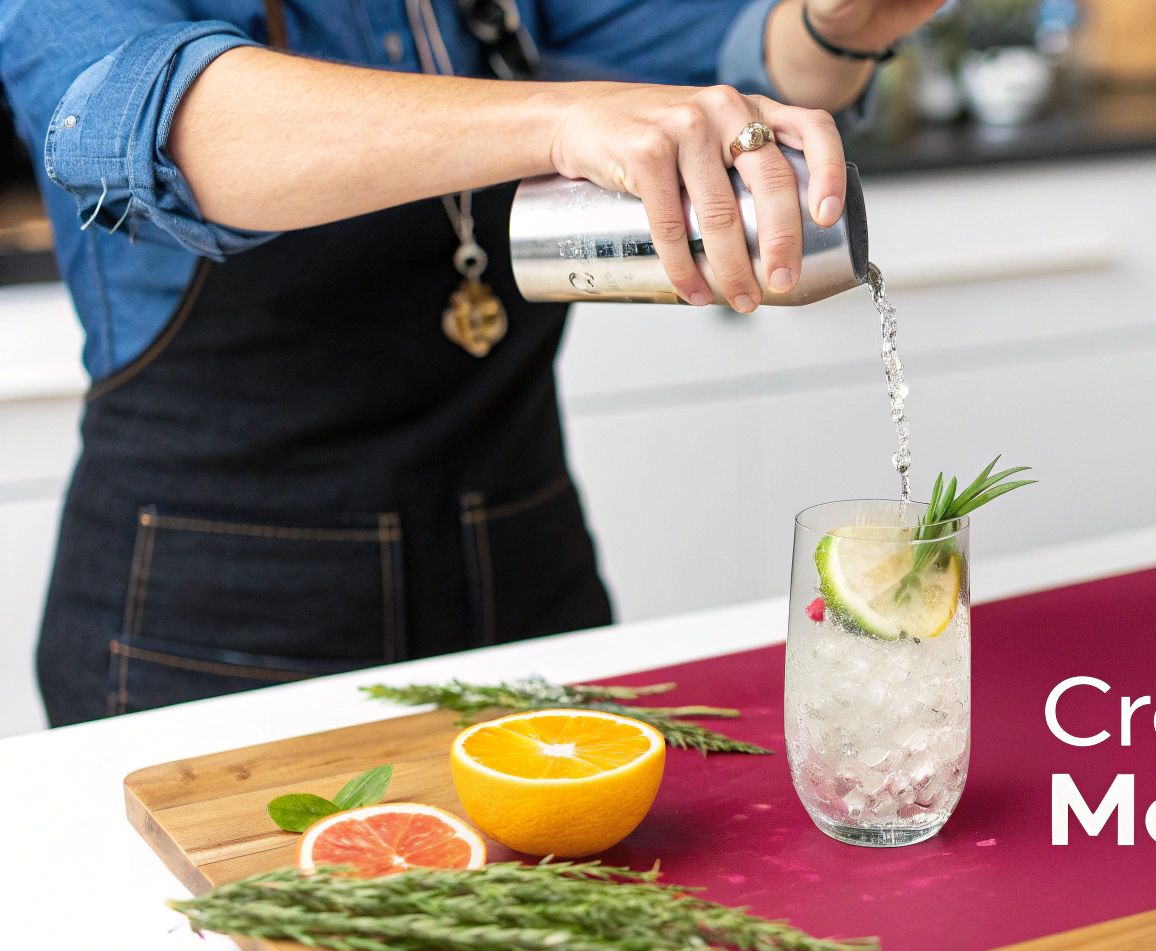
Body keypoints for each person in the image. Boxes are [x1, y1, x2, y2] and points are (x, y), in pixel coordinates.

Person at [0, 0, 943, 726]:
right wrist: (563, 118)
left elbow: (734, 55)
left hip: (532, 578)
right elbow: (175, 125)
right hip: (214, 631)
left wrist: (836, 26)